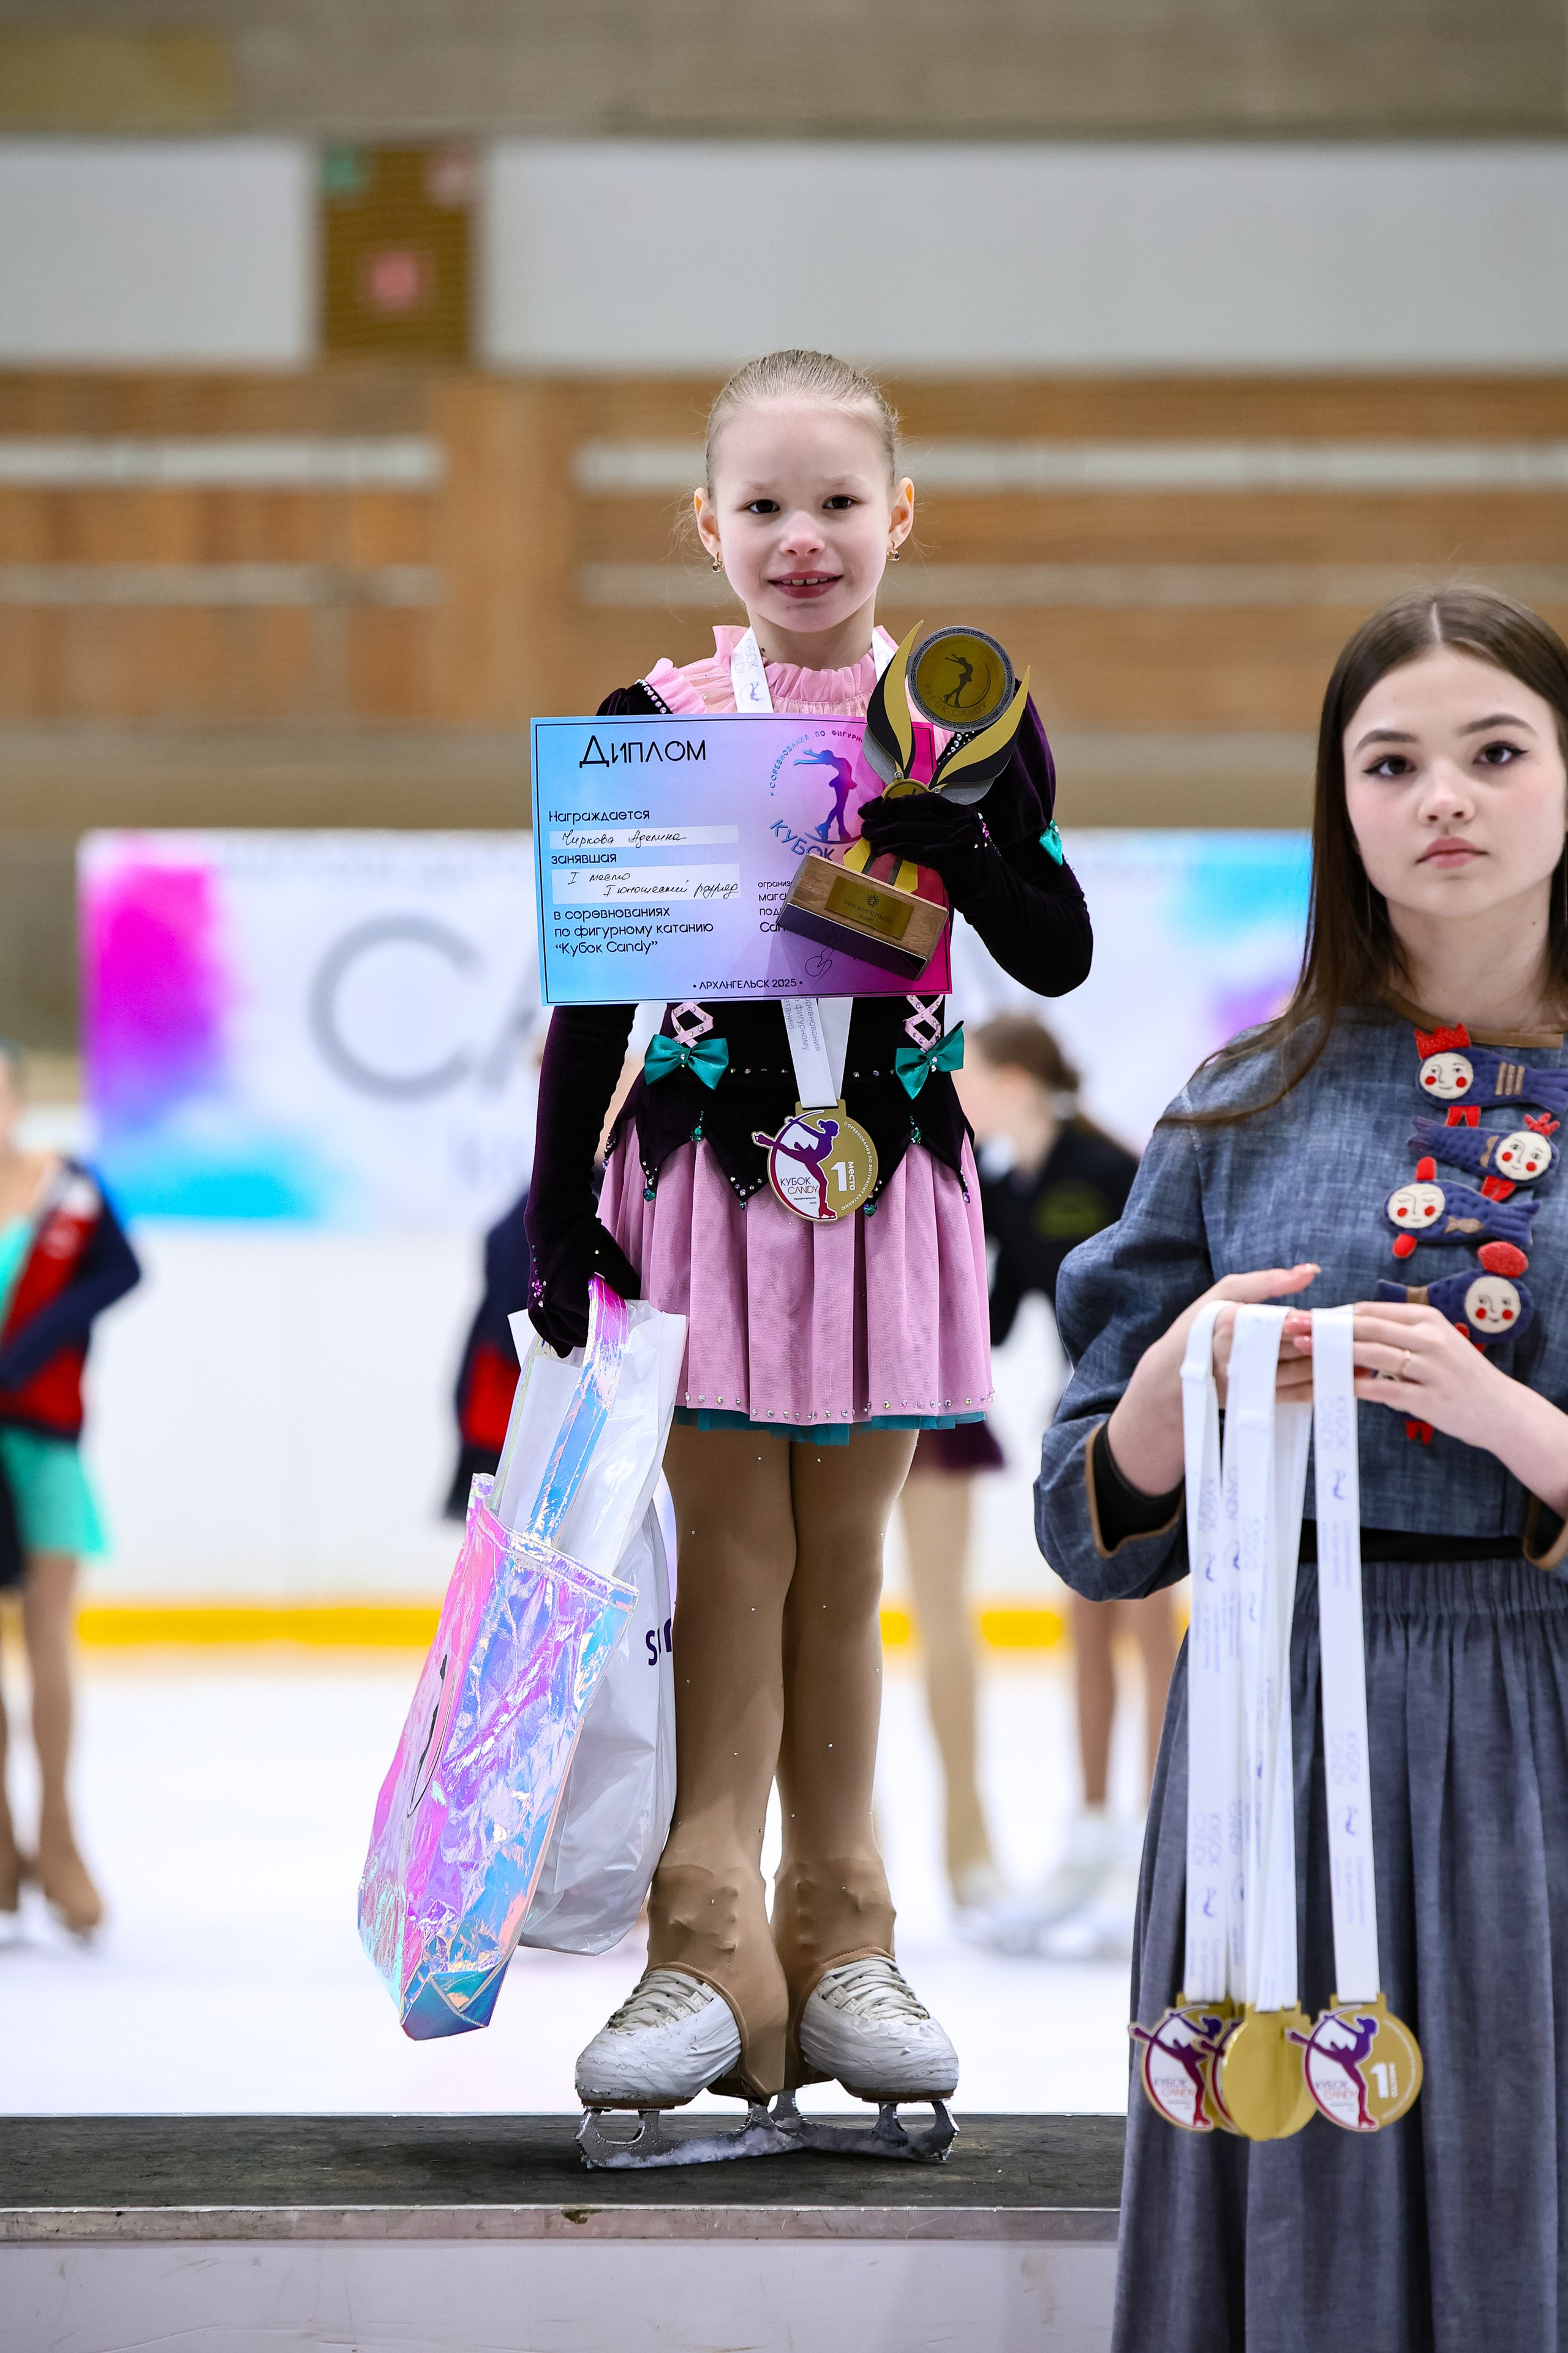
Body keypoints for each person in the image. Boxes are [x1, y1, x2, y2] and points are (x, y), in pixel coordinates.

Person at [526, 348, 1093, 2120]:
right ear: (707, 525)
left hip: (892, 1192)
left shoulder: (965, 715)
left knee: (845, 1579)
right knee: (727, 1580)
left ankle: (845, 1937)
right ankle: (700, 1945)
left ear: (899, 518)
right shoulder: (656, 716)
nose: (801, 537)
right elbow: (588, 1001)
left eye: (838, 501)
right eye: (762, 506)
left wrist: (974, 850)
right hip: (705, 1189)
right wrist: (559, 1214)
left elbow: (1059, 949)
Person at [1036, 585, 1568, 2349]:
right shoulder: (1239, 1102)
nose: (1447, 800)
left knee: (1521, 2165)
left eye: (1497, 753)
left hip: (1535, 1735)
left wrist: (1510, 1424)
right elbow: (1087, 1525)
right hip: (1273, 1730)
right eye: (1392, 761)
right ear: (1340, 807)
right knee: (1287, 2200)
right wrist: (1171, 1394)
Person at [961, 1013, 1177, 1941]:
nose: (957, 1090)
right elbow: (997, 1319)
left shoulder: (1111, 1167)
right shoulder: (1016, 1187)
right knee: (1085, 1620)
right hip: (1077, 1417)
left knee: (1149, 1622)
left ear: (1012, 1079)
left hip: (1154, 1412)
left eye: (968, 1075)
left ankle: (1162, 1834)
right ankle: (1093, 1834)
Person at [0, 1042, 141, 1933]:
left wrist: (36, 1342)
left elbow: (121, 1271)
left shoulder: (71, 1187)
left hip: (42, 1439)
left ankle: (58, 1833)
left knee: (49, 1630)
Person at [442, 1190, 532, 1520]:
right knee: (494, 1517)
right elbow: (499, 1245)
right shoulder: (558, 1184)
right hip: (507, 1384)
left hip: (517, 1373)